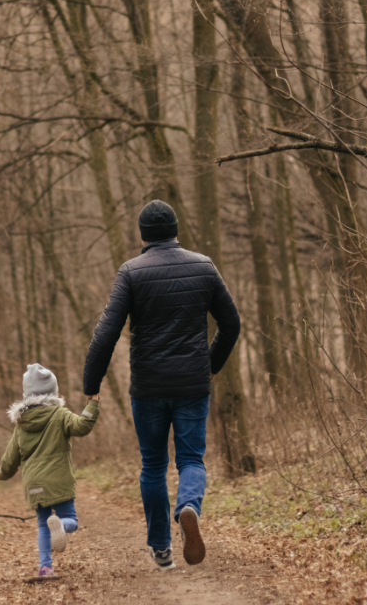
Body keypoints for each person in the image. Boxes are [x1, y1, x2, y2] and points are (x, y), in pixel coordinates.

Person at [82, 200, 241, 570]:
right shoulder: (203, 266)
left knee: (153, 465)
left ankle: (161, 548)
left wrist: (92, 382)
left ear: (143, 235)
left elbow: (106, 333)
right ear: (175, 229)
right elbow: (231, 323)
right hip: (191, 384)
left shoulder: (131, 272)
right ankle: (187, 506)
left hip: (149, 387)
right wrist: (210, 365)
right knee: (190, 459)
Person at [0, 363, 100, 578]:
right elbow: (82, 426)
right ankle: (61, 524)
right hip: (58, 480)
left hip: (34, 485)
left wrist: (1, 474)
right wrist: (93, 404)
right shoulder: (59, 415)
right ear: (53, 391)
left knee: (43, 524)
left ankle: (45, 568)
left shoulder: (21, 425)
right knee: (71, 520)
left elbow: (10, 458)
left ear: (27, 393)